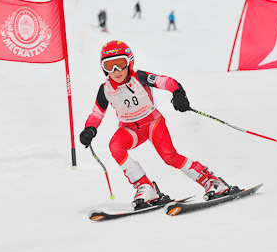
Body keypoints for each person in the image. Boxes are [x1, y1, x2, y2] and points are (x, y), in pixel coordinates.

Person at [79, 41, 230, 207]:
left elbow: (165, 81)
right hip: (129, 129)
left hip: (152, 123)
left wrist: (178, 94)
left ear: (129, 63)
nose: (116, 71)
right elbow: (97, 113)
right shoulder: (105, 89)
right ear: (103, 68)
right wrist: (89, 129)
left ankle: (212, 181)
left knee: (169, 157)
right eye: (109, 65)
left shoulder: (140, 77)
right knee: (115, 146)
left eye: (120, 64)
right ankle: (145, 187)